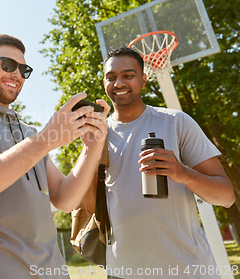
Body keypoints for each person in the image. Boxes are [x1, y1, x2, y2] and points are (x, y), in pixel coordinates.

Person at [0, 34, 110, 278]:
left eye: (23, 69)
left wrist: (92, 149)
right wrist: (44, 141)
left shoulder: (30, 134)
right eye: (8, 65)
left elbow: (65, 200)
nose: (17, 74)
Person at [83, 45, 235, 278]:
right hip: (123, 271)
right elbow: (93, 206)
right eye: (111, 77)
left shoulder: (176, 122)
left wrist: (182, 173)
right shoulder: (97, 135)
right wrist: (88, 153)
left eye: (128, 75)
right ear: (104, 83)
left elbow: (226, 196)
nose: (119, 83)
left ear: (143, 80)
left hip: (187, 269)